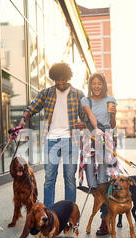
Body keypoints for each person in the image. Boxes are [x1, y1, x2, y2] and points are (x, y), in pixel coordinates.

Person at [18, 63, 86, 208]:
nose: (60, 83)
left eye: (63, 80)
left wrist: (85, 123)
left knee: (69, 178)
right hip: (51, 139)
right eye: (57, 80)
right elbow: (31, 107)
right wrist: (24, 119)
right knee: (49, 178)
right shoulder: (46, 93)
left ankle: (68, 212)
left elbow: (86, 115)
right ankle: (48, 213)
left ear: (68, 78)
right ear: (53, 79)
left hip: (71, 139)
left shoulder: (78, 94)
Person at [80, 72, 118, 236]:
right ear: (90, 85)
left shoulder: (110, 100)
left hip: (106, 139)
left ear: (103, 85)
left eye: (99, 83)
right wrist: (95, 130)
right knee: (92, 183)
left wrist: (114, 114)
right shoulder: (85, 100)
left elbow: (112, 124)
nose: (96, 86)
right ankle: (104, 211)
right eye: (93, 83)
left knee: (103, 181)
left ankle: (105, 221)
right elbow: (90, 116)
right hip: (90, 138)